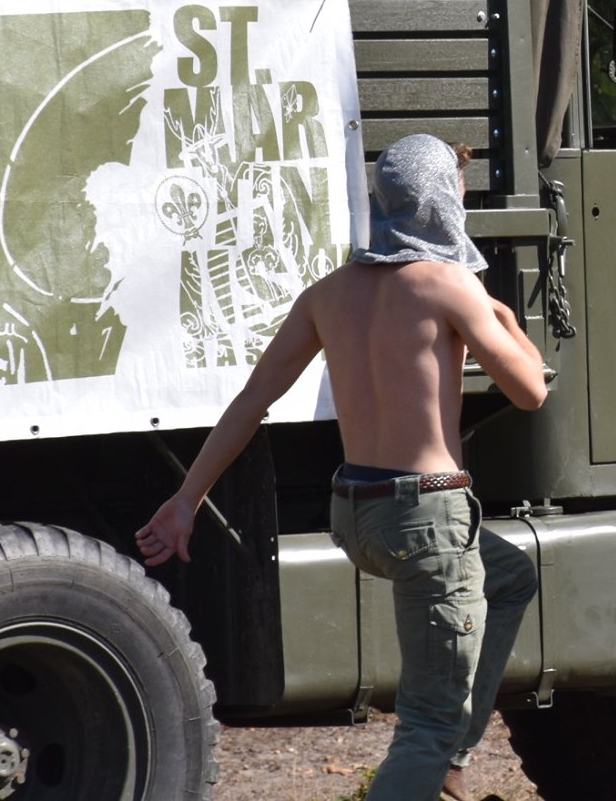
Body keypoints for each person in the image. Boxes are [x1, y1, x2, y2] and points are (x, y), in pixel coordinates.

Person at [137, 134, 548, 801]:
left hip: (358, 515)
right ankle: (441, 749)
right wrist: (501, 314)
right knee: (426, 722)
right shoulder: (451, 285)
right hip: (428, 517)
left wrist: (187, 498)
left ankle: (451, 752)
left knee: (511, 572)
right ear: (445, 198)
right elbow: (531, 390)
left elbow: (251, 404)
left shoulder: (327, 293)